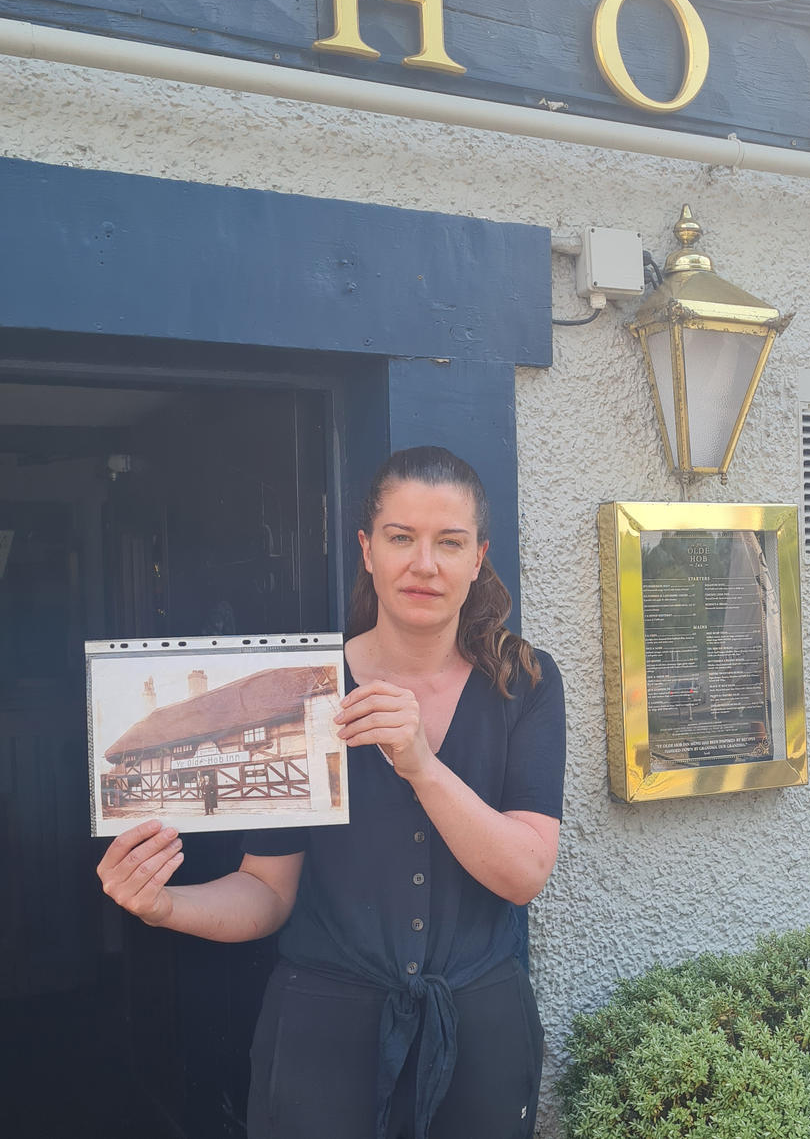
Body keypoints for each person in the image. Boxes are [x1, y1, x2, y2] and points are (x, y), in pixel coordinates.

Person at [96, 446, 566, 1139]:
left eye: (450, 542)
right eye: (401, 537)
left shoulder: (523, 680)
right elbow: (267, 892)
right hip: (324, 1038)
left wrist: (421, 765)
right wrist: (163, 905)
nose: (424, 563)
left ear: (478, 558)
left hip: (478, 1035)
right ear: (367, 550)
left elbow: (524, 873)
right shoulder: (304, 688)